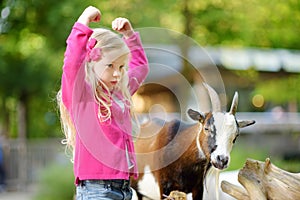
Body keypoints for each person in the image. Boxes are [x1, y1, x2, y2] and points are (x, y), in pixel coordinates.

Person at [57, 6, 149, 200]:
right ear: (91, 63)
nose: (117, 73)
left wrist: (130, 35)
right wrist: (83, 20)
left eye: (121, 66)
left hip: (124, 188)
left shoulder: (120, 93)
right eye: (110, 66)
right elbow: (72, 63)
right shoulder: (82, 96)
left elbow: (140, 68)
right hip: (96, 189)